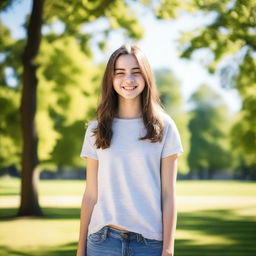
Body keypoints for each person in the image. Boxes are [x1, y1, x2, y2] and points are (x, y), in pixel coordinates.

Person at [76, 44, 184, 256]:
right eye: (120, 73)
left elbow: (168, 195)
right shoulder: (96, 129)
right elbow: (90, 195)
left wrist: (168, 249)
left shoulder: (164, 127)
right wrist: (81, 249)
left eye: (136, 72)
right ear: (111, 79)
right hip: (101, 242)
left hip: (150, 244)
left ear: (146, 77)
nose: (129, 80)